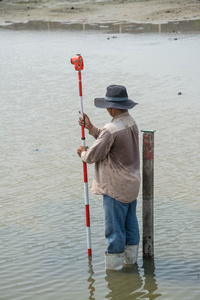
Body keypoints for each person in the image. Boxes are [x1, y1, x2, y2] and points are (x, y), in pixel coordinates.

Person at [77, 85, 140, 270]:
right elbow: (109, 141)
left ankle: (115, 275)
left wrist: (82, 152)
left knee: (114, 232)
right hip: (132, 184)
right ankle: (132, 264)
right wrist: (90, 128)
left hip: (115, 188)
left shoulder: (111, 128)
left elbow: (93, 155)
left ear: (112, 107)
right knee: (130, 227)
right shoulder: (130, 122)